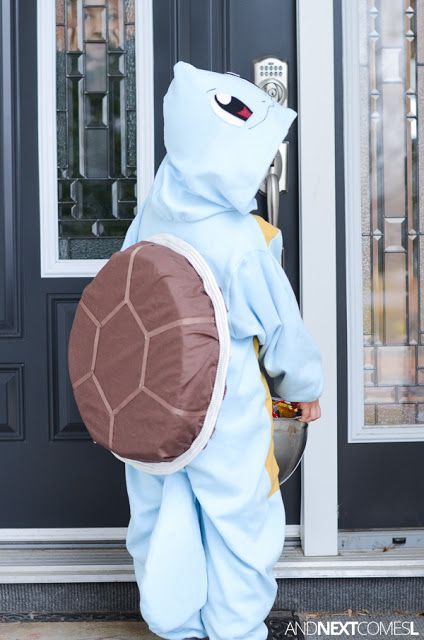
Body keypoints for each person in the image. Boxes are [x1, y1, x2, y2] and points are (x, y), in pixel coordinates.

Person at [120, 61, 324, 640]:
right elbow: (282, 326)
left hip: (152, 398)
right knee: (238, 517)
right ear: (230, 161)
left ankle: (174, 621)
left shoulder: (150, 216)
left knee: (161, 509)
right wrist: (302, 389)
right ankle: (235, 628)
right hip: (224, 405)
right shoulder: (243, 241)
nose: (263, 171)